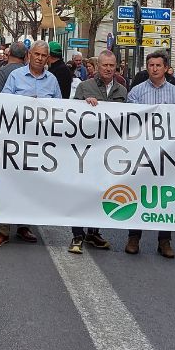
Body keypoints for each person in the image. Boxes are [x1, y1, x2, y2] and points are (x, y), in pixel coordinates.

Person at [0, 41, 59, 247]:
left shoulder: (52, 80)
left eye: (43, 55)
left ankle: (23, 226)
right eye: (36, 54)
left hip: (39, 141)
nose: (39, 58)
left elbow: (61, 109)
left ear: (47, 58)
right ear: (29, 54)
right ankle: (2, 230)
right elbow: (3, 102)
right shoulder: (15, 76)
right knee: (9, 182)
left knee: (30, 185)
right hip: (15, 139)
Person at [124, 50, 175, 259]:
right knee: (139, 192)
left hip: (166, 152)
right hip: (142, 151)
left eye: (158, 65)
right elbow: (129, 120)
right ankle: (134, 237)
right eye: (151, 65)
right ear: (147, 67)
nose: (154, 69)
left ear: (166, 68)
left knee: (164, 195)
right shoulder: (137, 91)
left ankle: (164, 240)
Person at [69, 49, 127, 254]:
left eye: (112, 66)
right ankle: (77, 234)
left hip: (109, 152)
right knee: (81, 191)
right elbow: (72, 115)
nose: (108, 69)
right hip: (86, 151)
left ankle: (94, 232)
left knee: (102, 191)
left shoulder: (122, 90)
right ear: (98, 65)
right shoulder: (85, 87)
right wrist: (85, 105)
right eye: (105, 65)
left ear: (116, 67)